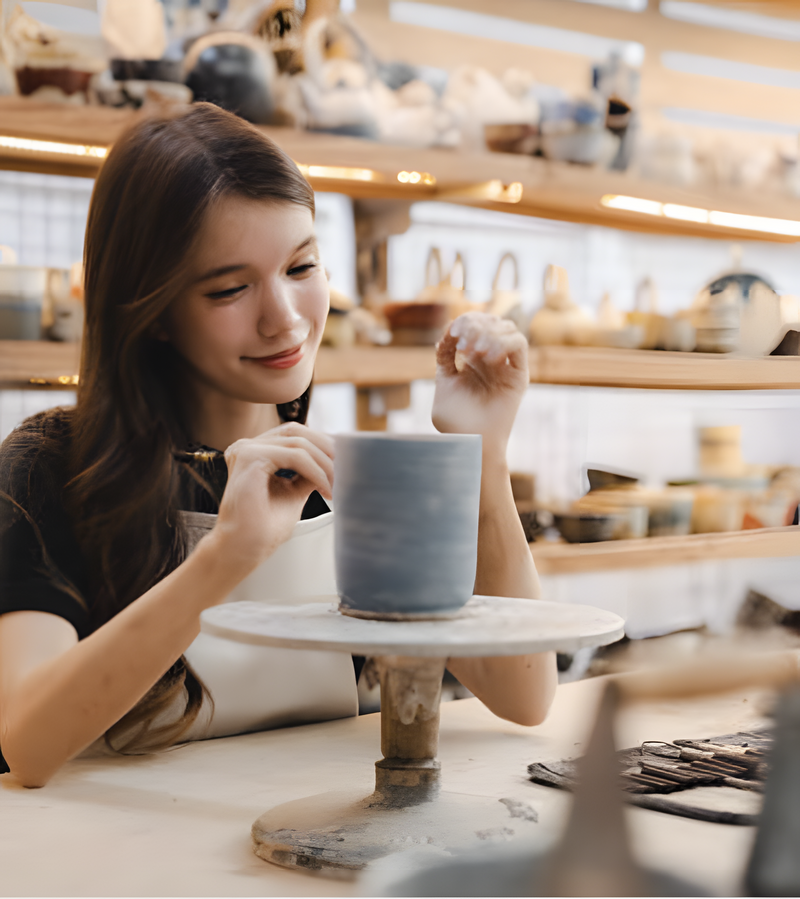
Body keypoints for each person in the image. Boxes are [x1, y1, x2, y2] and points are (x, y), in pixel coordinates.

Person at [0, 103, 557, 789]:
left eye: (301, 267)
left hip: (322, 851)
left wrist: (485, 453)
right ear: (152, 310)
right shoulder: (53, 464)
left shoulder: (343, 475)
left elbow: (525, 694)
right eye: (231, 288)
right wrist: (228, 556)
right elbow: (26, 739)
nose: (285, 318)